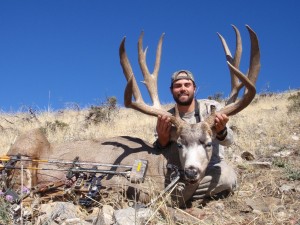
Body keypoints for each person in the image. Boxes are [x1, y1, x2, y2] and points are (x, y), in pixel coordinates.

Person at [154, 70, 237, 204]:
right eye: (178, 85)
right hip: (179, 169)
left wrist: (221, 131)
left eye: (187, 84)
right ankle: (184, 195)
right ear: (171, 90)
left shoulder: (211, 108)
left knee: (227, 178)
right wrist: (162, 139)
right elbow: (157, 152)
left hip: (210, 167)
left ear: (194, 88)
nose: (183, 88)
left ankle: (176, 196)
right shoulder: (166, 117)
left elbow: (229, 141)